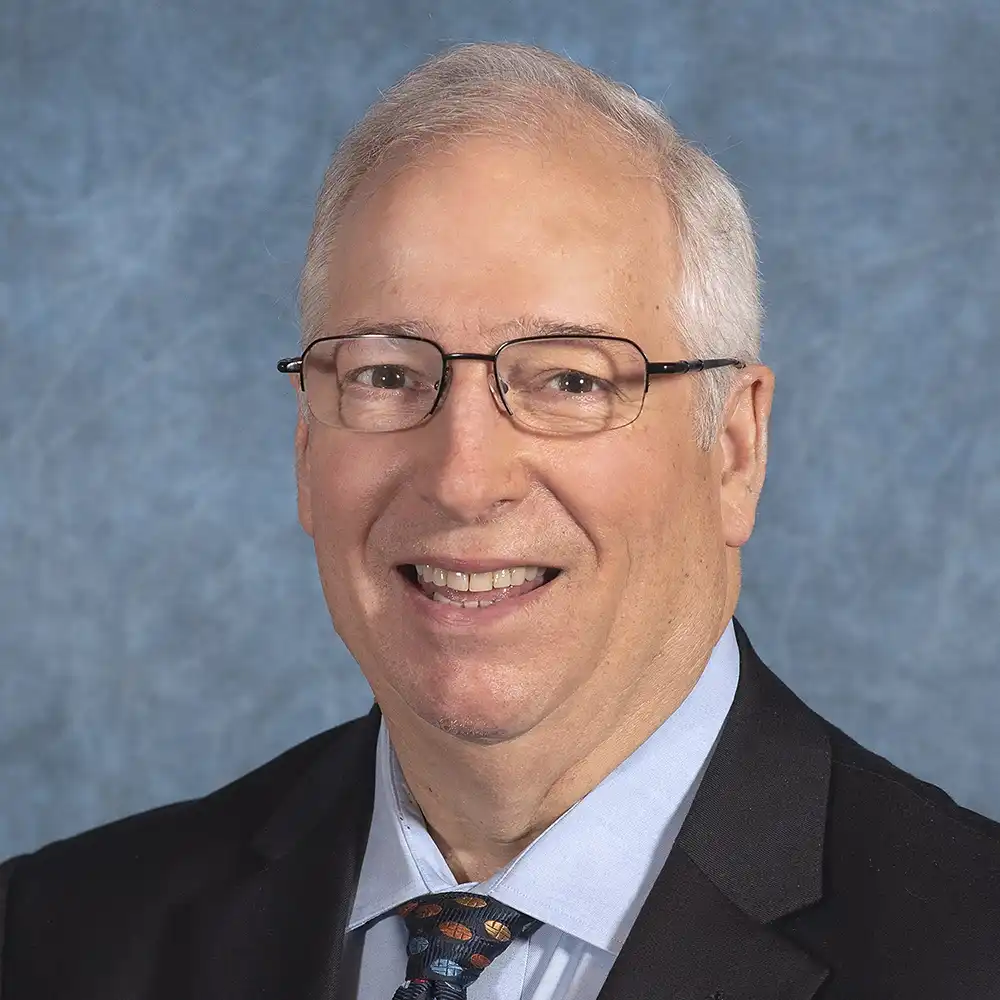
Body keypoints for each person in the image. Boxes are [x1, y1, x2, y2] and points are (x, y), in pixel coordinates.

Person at [2, 41, 998, 1000]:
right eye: (388, 375)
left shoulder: (967, 948)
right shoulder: (56, 938)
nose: (464, 477)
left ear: (734, 448)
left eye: (569, 378)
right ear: (308, 449)